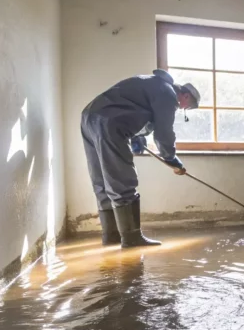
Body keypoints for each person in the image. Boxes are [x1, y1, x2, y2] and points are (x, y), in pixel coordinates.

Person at [81, 69, 200, 248]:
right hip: (110, 124)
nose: (183, 108)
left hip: (88, 118)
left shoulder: (152, 84)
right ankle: (131, 238)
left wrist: (136, 135)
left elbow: (133, 110)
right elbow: (163, 133)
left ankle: (111, 235)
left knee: (102, 180)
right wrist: (171, 158)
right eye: (188, 105)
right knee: (122, 179)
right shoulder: (168, 93)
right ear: (184, 94)